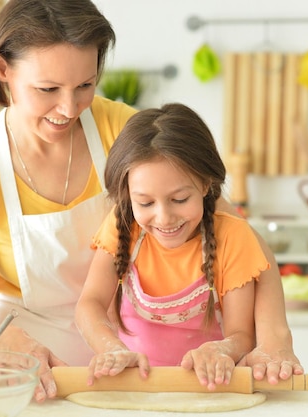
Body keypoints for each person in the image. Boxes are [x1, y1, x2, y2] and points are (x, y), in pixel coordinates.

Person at [0, 0, 302, 402]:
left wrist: (276, 339)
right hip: (31, 376)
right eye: (47, 89)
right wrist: (9, 342)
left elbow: (241, 238)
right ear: (4, 70)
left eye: (85, 86)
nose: (68, 108)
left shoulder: (120, 130)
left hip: (129, 371)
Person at [75, 103, 267, 390]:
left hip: (207, 390)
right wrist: (110, 348)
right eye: (146, 203)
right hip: (131, 389)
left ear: (204, 185)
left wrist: (221, 350)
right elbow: (89, 304)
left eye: (179, 200)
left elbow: (242, 334)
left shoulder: (232, 236)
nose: (164, 218)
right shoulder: (123, 226)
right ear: (128, 195)